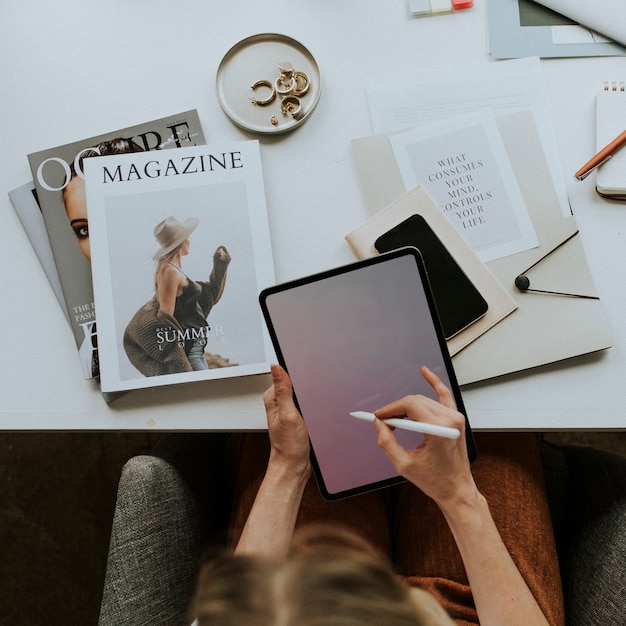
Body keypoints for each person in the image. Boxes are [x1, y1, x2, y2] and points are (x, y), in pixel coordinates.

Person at [190, 364, 565, 626]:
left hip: (304, 604)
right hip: (459, 613)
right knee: (490, 417)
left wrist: (289, 465)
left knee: (297, 437)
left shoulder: (253, 610)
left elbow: (244, 604)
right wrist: (459, 496)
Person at [123, 216, 231, 376]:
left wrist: (220, 264)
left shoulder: (174, 269)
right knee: (203, 390)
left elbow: (208, 295)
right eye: (187, 238)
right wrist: (179, 359)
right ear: (181, 242)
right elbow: (166, 316)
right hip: (191, 349)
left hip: (197, 346)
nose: (189, 241)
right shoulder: (169, 272)